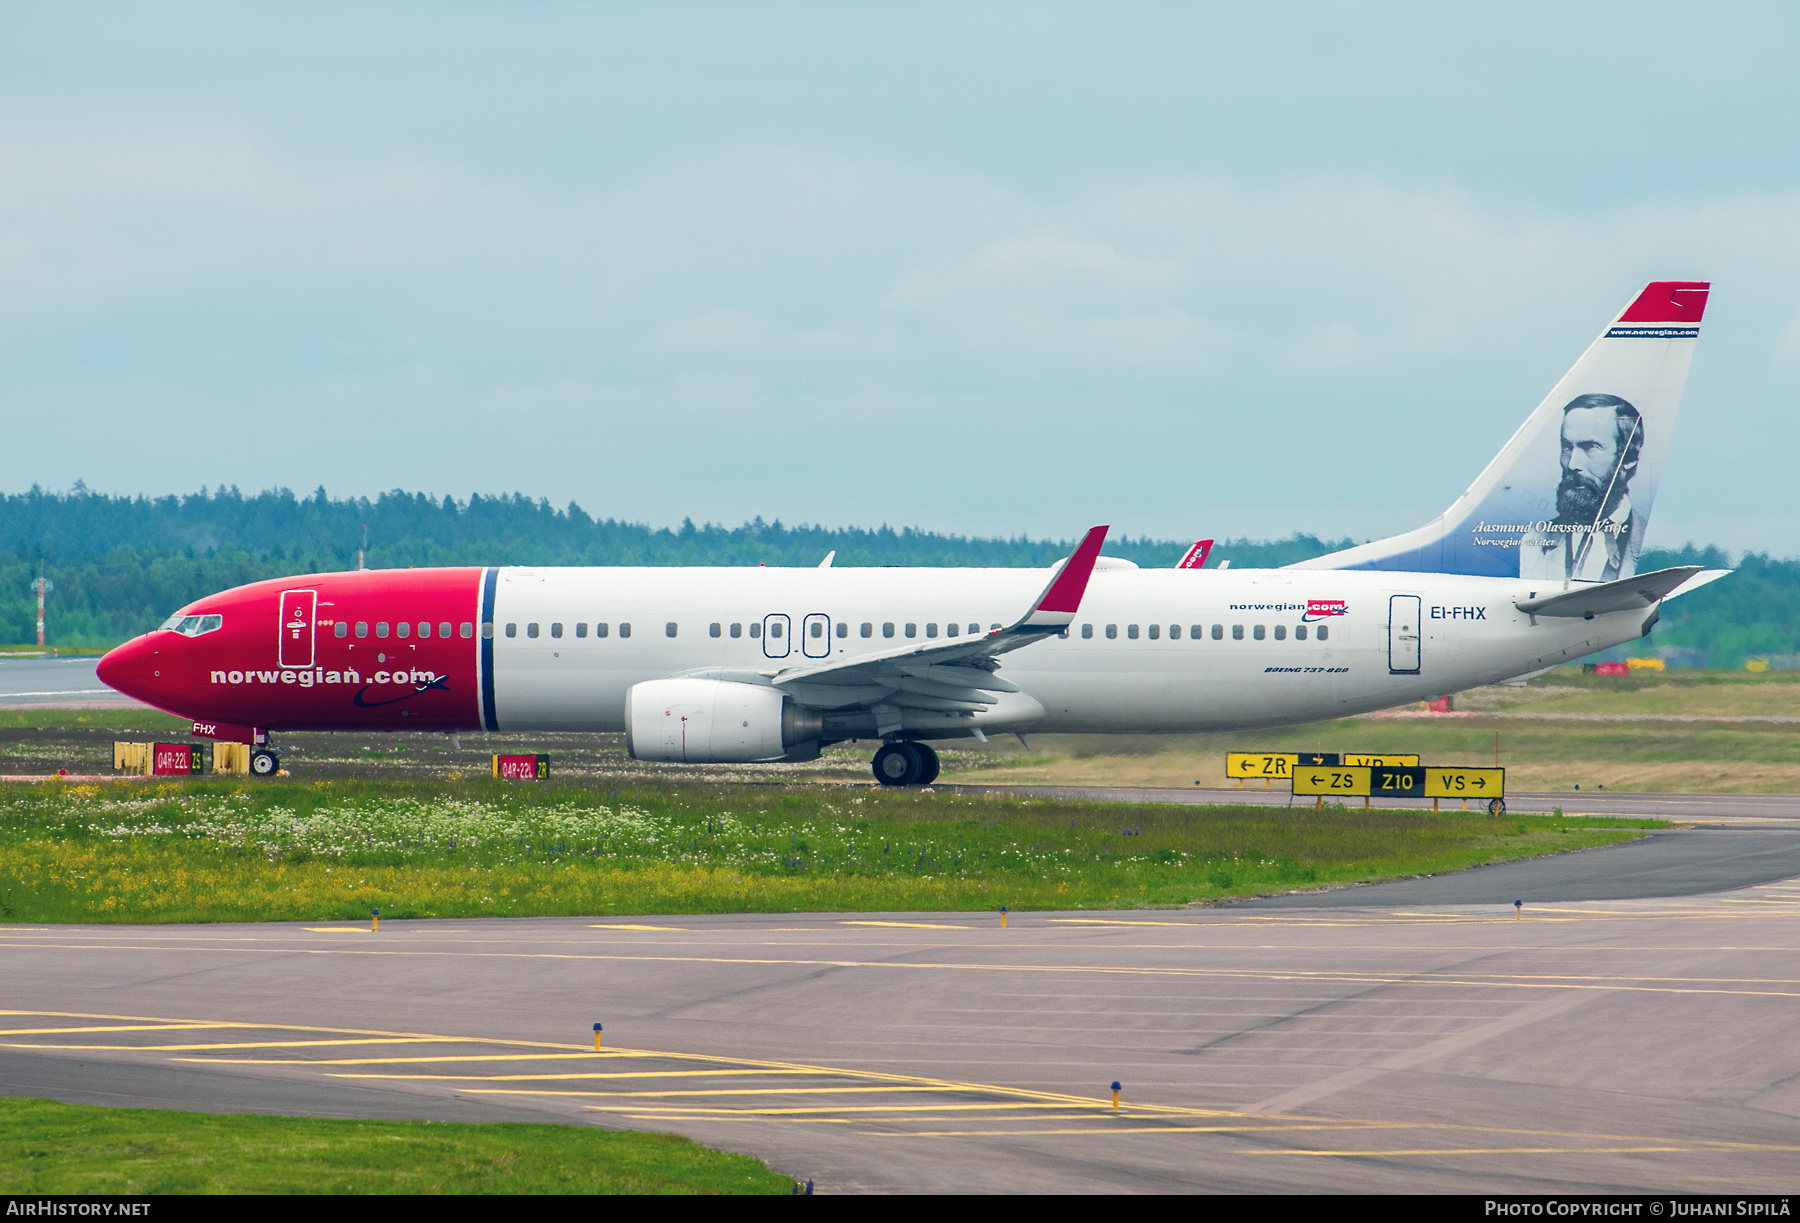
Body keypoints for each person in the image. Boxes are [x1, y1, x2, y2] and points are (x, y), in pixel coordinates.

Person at [1519, 393, 1646, 582]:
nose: (1572, 464)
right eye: (1567, 447)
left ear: (1628, 459)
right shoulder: (1534, 541)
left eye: (1590, 447)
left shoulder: (1645, 539)